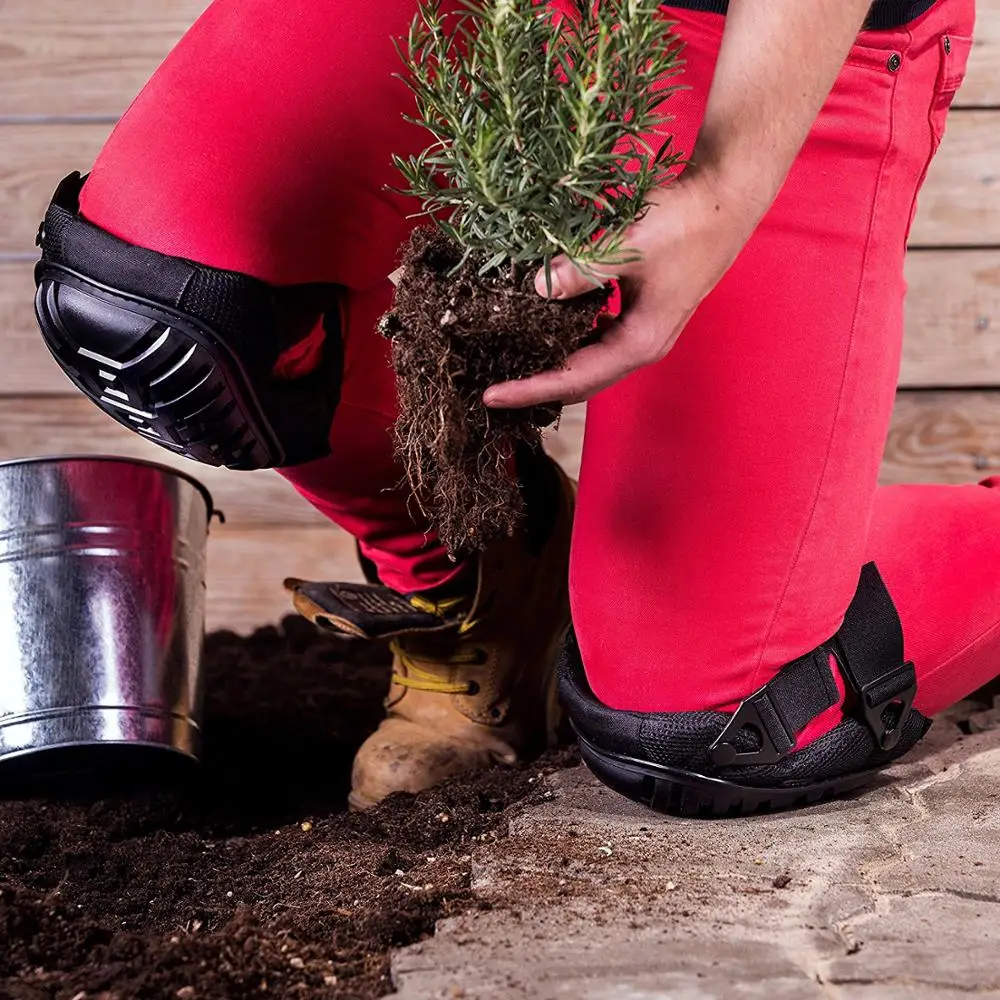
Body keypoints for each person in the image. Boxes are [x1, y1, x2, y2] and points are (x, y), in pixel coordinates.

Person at [33, 0, 984, 817]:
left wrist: (724, 186)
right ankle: (488, 587)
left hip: (758, 37)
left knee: (721, 721)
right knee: (160, 304)